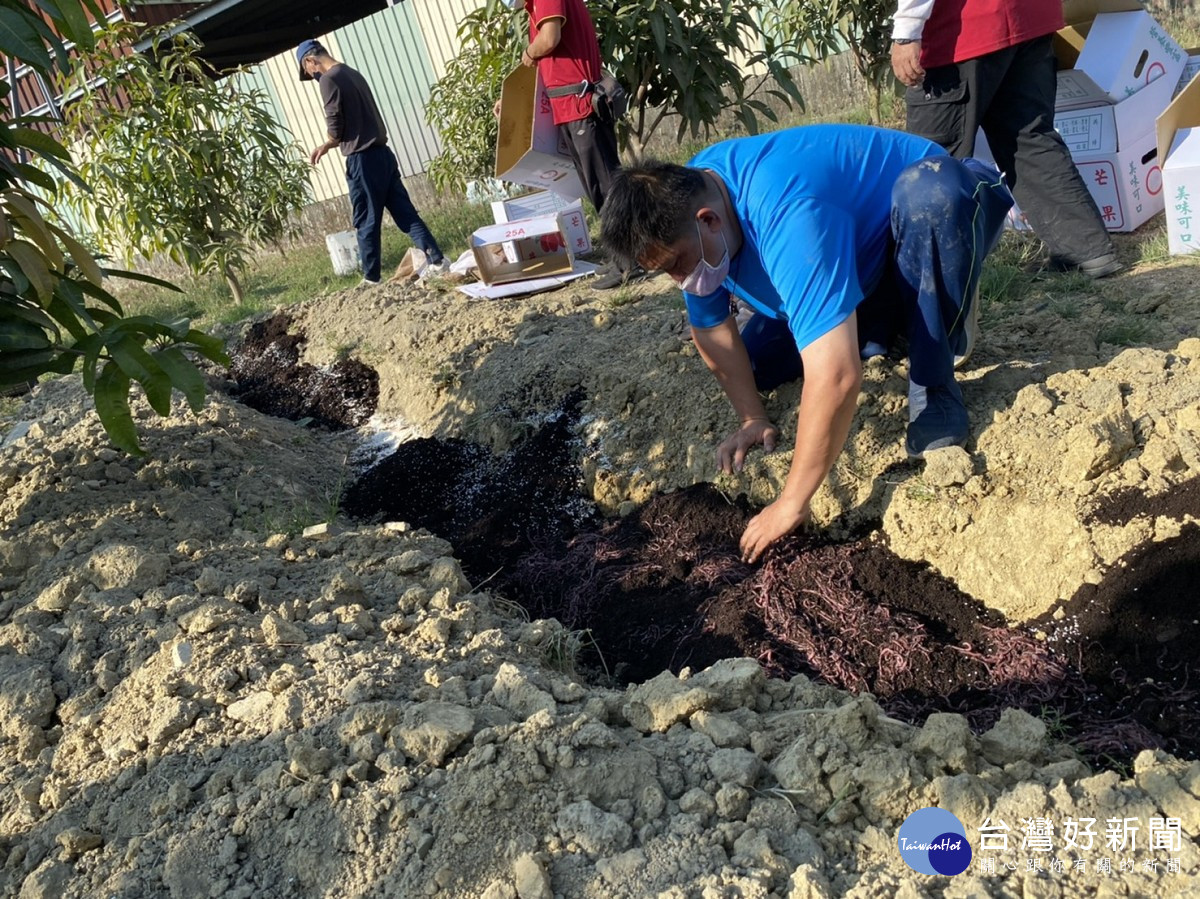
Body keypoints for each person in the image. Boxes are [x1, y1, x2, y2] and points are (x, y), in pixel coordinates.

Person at [599, 125, 1013, 562]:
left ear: (709, 220)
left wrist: (792, 502)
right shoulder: (686, 197)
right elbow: (713, 331)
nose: (681, 280)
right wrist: (751, 416)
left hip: (933, 212)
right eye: (664, 271)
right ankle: (880, 323)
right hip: (853, 254)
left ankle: (934, 368)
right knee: (754, 363)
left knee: (931, 192)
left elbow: (836, 375)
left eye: (677, 264)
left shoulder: (788, 211)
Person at [891, 0, 1122, 279]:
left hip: (963, 30)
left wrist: (906, 31)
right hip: (1031, 17)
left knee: (929, 167)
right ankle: (1086, 249)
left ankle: (925, 282)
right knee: (1029, 139)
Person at [497, 0, 638, 289]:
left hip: (581, 105)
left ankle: (629, 262)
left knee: (607, 185)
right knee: (596, 186)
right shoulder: (535, 6)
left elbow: (549, 40)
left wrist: (528, 50)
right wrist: (512, 100)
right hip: (569, 106)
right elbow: (548, 63)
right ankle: (619, 256)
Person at [297, 39, 447, 286]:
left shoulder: (328, 79)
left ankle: (371, 279)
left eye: (308, 71)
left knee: (366, 219)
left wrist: (327, 143)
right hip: (383, 154)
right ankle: (438, 260)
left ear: (310, 61)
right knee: (405, 213)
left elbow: (335, 121)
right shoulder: (352, 73)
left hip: (362, 158)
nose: (312, 75)